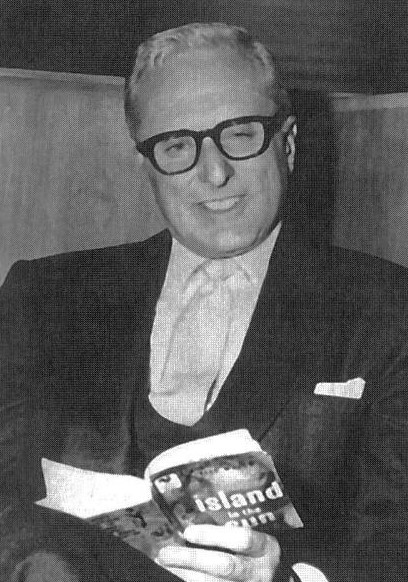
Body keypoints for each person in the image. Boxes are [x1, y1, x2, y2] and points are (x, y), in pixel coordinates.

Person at [1, 22, 408, 582]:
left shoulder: (387, 308)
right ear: (147, 166)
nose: (214, 174)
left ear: (287, 144)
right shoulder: (45, 296)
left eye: (240, 135)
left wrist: (286, 577)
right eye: (176, 146)